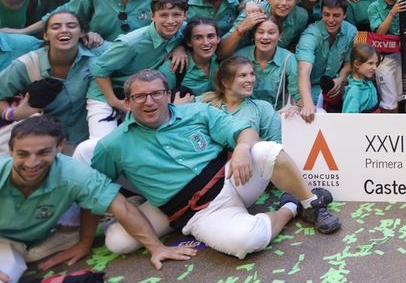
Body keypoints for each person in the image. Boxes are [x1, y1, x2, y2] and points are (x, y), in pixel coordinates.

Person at [86, 70, 339, 261]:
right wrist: (85, 239)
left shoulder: (197, 111)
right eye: (140, 96)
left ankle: (310, 204)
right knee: (246, 241)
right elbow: (92, 189)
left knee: (265, 150)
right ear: (127, 102)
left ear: (167, 95)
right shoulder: (112, 145)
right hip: (196, 213)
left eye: (156, 94)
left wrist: (241, 149)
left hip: (234, 178)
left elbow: (245, 131)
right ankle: (290, 207)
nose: (149, 101)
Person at [1, 117, 194, 282]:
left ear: (59, 147)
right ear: (10, 150)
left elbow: (121, 206)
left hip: (27, 240)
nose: (32, 163)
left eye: (43, 152)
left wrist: (156, 248)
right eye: (22, 154)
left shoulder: (75, 173)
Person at [87, 0, 188, 138]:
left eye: (176, 15)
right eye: (164, 15)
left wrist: (181, 47)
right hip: (106, 94)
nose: (170, 21)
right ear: (152, 16)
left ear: (185, 16)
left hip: (141, 95)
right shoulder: (131, 43)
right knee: (100, 141)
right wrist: (114, 101)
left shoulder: (183, 31)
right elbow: (99, 68)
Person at [0, 11, 102, 148]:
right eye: (55, 27)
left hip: (85, 142)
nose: (64, 30)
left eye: (71, 26)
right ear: (46, 35)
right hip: (41, 144)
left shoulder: (97, 56)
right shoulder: (27, 64)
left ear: (82, 32)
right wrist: (12, 114)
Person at [295, 0, 357, 120]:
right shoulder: (310, 35)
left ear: (344, 15)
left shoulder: (351, 31)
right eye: (326, 14)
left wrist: (341, 79)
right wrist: (307, 103)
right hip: (308, 88)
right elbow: (303, 71)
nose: (331, 20)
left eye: (336, 15)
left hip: (334, 86)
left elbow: (348, 62)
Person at [204, 55, 281, 142]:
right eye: (243, 75)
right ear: (225, 82)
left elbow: (276, 144)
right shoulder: (205, 103)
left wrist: (250, 141)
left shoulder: (263, 108)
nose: (250, 80)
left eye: (252, 74)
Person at [368, 0, 406, 112]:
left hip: (403, 54)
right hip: (383, 57)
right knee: (389, 100)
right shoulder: (374, 7)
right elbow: (379, 33)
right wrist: (393, 12)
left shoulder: (405, 4)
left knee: (404, 95)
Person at [341, 43, 382, 114]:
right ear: (357, 64)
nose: (375, 67)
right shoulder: (354, 91)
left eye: (376, 63)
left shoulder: (369, 81)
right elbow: (349, 118)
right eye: (370, 63)